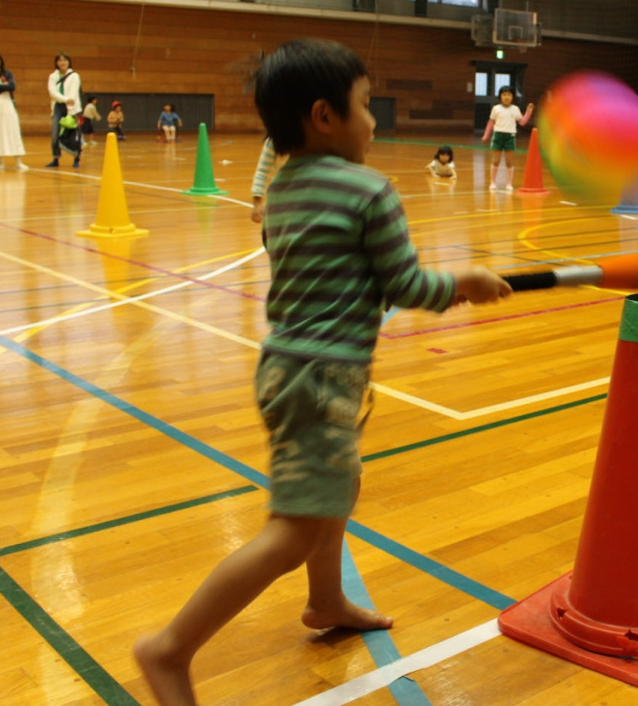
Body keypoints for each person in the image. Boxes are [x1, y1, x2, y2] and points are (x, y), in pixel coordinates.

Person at [133, 38, 511, 706]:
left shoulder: (280, 190)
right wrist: (465, 281)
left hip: (286, 370)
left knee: (341, 483)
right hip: (323, 379)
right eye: (366, 106)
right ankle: (170, 648)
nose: (373, 121)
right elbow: (404, 284)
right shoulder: (370, 190)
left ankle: (327, 597)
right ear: (323, 116)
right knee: (292, 531)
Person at [481, 85, 534, 192]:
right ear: (500, 96)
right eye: (504, 94)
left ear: (512, 97)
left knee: (509, 162)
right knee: (496, 161)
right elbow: (491, 123)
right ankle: (493, 182)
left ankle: (509, 184)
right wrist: (486, 135)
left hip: (510, 137)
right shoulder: (496, 109)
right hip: (498, 136)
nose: (506, 97)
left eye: (509, 95)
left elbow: (522, 122)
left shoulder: (515, 109)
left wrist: (528, 112)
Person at [46, 52, 82, 168]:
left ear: (69, 62)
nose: (62, 63)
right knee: (55, 134)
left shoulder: (74, 76)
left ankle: (76, 158)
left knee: (74, 134)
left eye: (65, 60)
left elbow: (73, 93)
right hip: (58, 107)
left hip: (72, 108)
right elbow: (52, 93)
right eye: (60, 60)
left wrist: (70, 107)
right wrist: (65, 99)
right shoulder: (53, 76)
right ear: (56, 63)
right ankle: (55, 158)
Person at [250, 136, 282, 224]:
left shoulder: (315, 139)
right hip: (280, 201)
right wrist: (257, 203)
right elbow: (262, 171)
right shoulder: (274, 141)